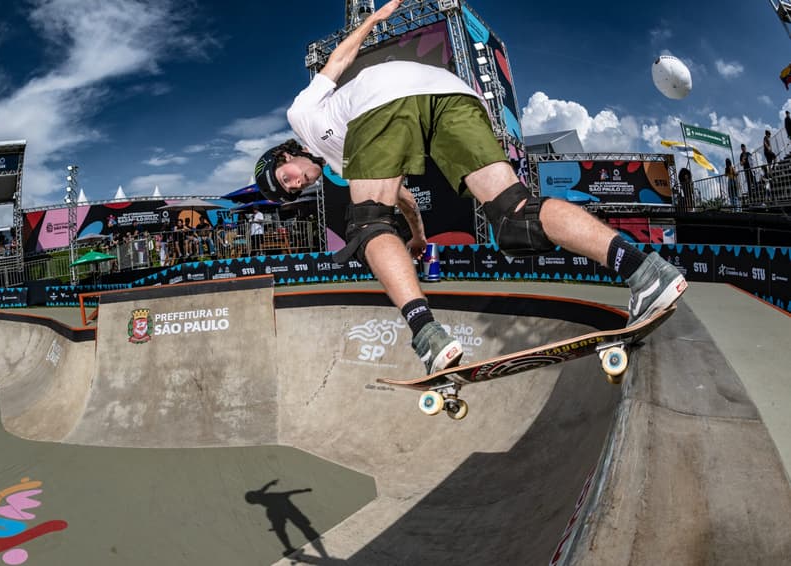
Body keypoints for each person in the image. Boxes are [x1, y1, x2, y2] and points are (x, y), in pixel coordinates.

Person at [253, 0, 687, 374]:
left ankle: (427, 336)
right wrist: (419, 236)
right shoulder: (348, 164)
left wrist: (374, 19)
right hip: (451, 95)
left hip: (385, 99)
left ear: (287, 155)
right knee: (515, 212)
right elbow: (401, 198)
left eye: (284, 176)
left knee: (368, 225)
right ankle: (645, 272)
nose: (293, 185)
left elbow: (338, 62)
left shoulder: (301, 115)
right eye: (288, 191)